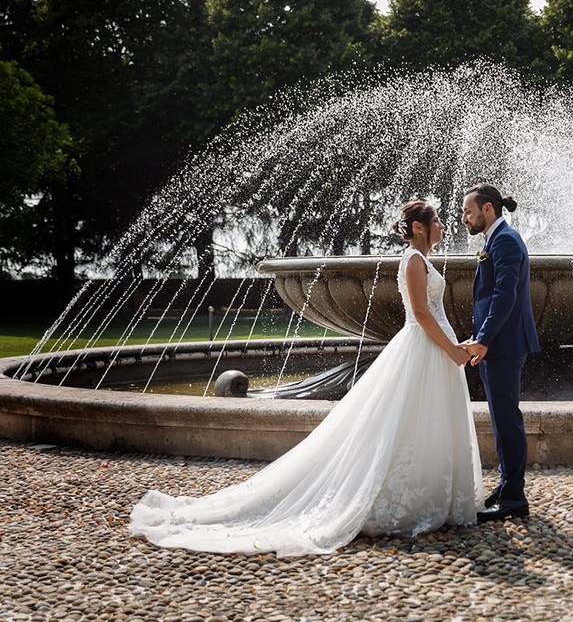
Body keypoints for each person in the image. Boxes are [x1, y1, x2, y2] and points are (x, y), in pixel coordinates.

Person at [128, 200, 483, 557]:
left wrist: (454, 345)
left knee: (422, 421)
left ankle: (433, 495)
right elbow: (421, 314)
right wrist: (452, 351)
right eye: (435, 220)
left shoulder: (421, 260)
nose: (441, 225)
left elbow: (431, 312)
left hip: (431, 349)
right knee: (403, 421)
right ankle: (403, 499)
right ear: (418, 228)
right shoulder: (414, 261)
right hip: (423, 348)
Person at [460, 183, 541, 522]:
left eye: (468, 211)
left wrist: (484, 338)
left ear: (488, 209)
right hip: (498, 343)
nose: (464, 218)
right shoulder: (497, 239)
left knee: (507, 419)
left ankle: (514, 497)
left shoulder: (505, 240)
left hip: (504, 345)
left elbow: (504, 296)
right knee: (501, 417)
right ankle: (508, 487)